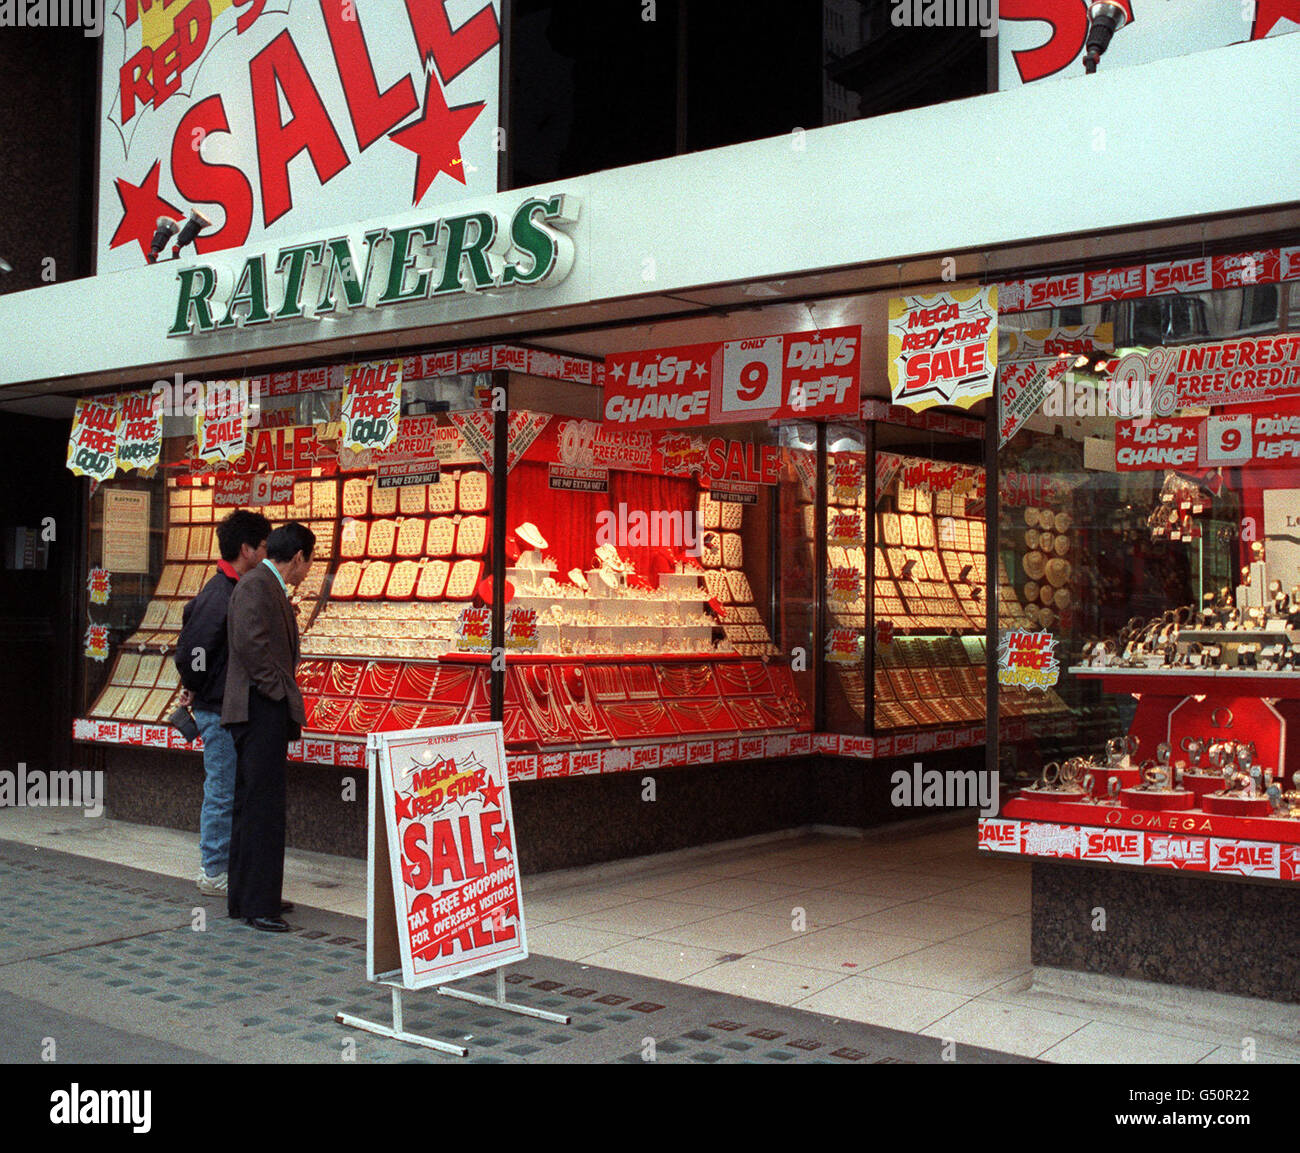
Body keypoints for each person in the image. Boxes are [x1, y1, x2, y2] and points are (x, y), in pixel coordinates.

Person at [222, 521, 315, 933]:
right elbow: (252, 645)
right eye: (309, 562)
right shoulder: (258, 584)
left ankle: (250, 895)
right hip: (259, 710)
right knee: (262, 807)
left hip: (261, 708)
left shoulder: (262, 583)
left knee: (254, 803)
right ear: (298, 557)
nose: (308, 570)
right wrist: (278, 692)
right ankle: (257, 904)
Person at [174, 509, 271, 897]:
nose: (266, 555)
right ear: (246, 549)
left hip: (229, 708)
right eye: (263, 547)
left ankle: (227, 866)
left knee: (231, 789)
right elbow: (192, 651)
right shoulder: (221, 594)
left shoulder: (236, 590)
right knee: (222, 791)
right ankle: (213, 871)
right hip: (217, 711)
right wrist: (201, 687)